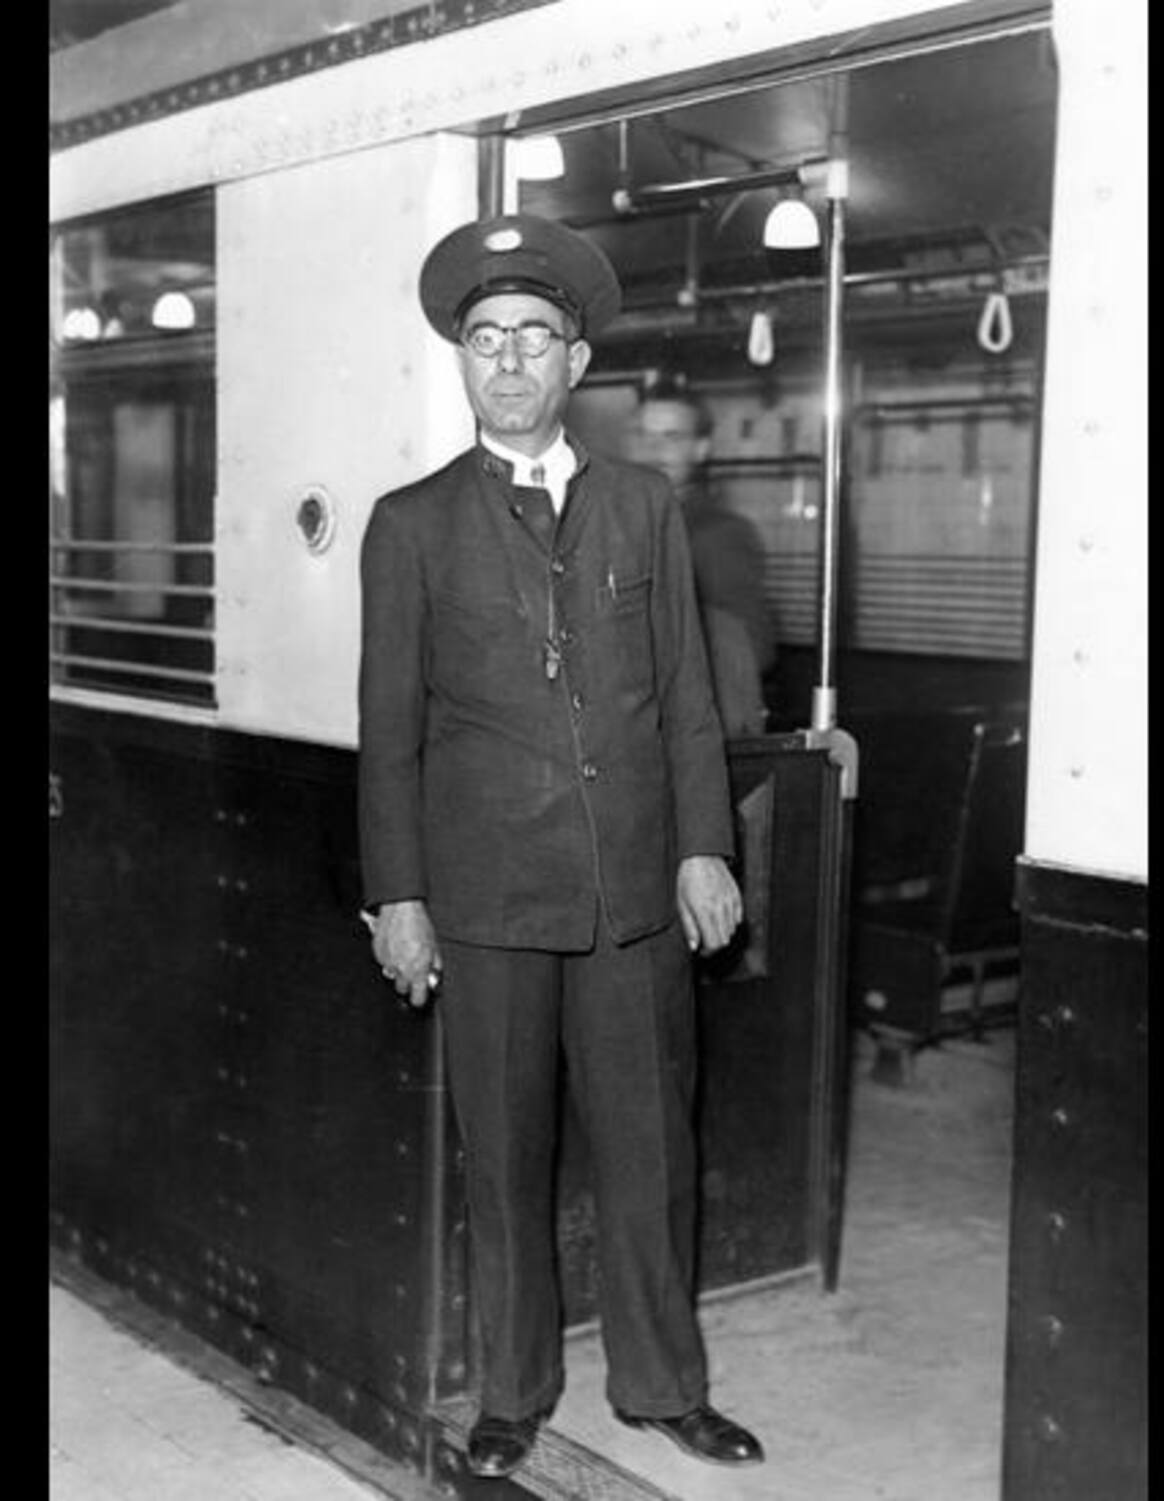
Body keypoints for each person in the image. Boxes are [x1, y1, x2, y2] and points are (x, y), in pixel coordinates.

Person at [357, 213, 764, 1481]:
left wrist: (706, 849)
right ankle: (513, 1394)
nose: (512, 362)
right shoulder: (411, 524)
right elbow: (389, 736)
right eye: (488, 341)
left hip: (636, 898)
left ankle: (661, 1385)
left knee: (652, 1152)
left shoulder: (646, 510)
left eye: (536, 337)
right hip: (485, 902)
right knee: (507, 1160)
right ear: (464, 364)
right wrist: (399, 898)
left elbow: (688, 698)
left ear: (577, 363)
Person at [624, 390, 775, 736]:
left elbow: (750, 649)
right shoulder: (609, 523)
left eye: (671, 437)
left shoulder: (717, 534)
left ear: (701, 449)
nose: (652, 449)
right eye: (642, 435)